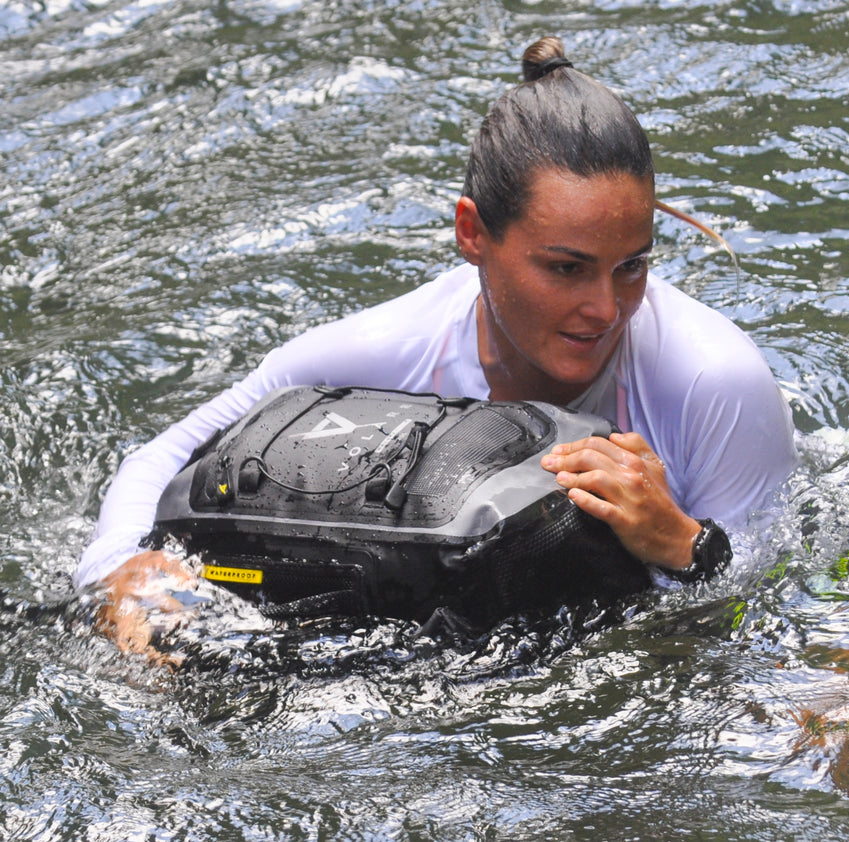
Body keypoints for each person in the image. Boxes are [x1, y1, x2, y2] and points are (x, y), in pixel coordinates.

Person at [79, 36, 797, 658]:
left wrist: (682, 543)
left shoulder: (715, 384)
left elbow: (769, 611)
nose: (606, 309)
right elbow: (161, 458)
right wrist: (124, 574)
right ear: (472, 233)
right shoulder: (388, 349)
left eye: (632, 265)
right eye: (566, 268)